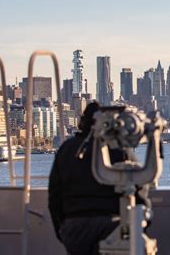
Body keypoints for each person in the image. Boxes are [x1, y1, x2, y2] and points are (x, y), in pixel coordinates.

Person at [48, 102, 124, 255]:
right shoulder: (117, 149)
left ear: (82, 122)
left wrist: (62, 229)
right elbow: (135, 189)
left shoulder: (66, 149)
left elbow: (54, 196)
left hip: (74, 227)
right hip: (110, 224)